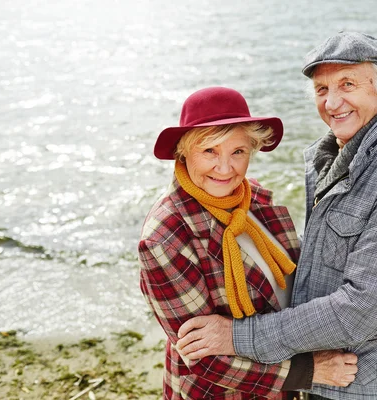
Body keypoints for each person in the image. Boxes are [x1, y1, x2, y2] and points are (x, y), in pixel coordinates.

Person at [175, 32, 377, 400]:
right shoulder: (338, 155)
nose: (333, 102)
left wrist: (237, 336)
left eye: (347, 84)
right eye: (322, 89)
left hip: (365, 386)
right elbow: (325, 258)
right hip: (323, 369)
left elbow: (359, 310)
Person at [137, 86, 358, 400]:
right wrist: (309, 371)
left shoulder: (251, 197)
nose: (226, 168)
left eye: (237, 152)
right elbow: (204, 360)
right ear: (184, 152)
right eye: (210, 151)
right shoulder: (165, 238)